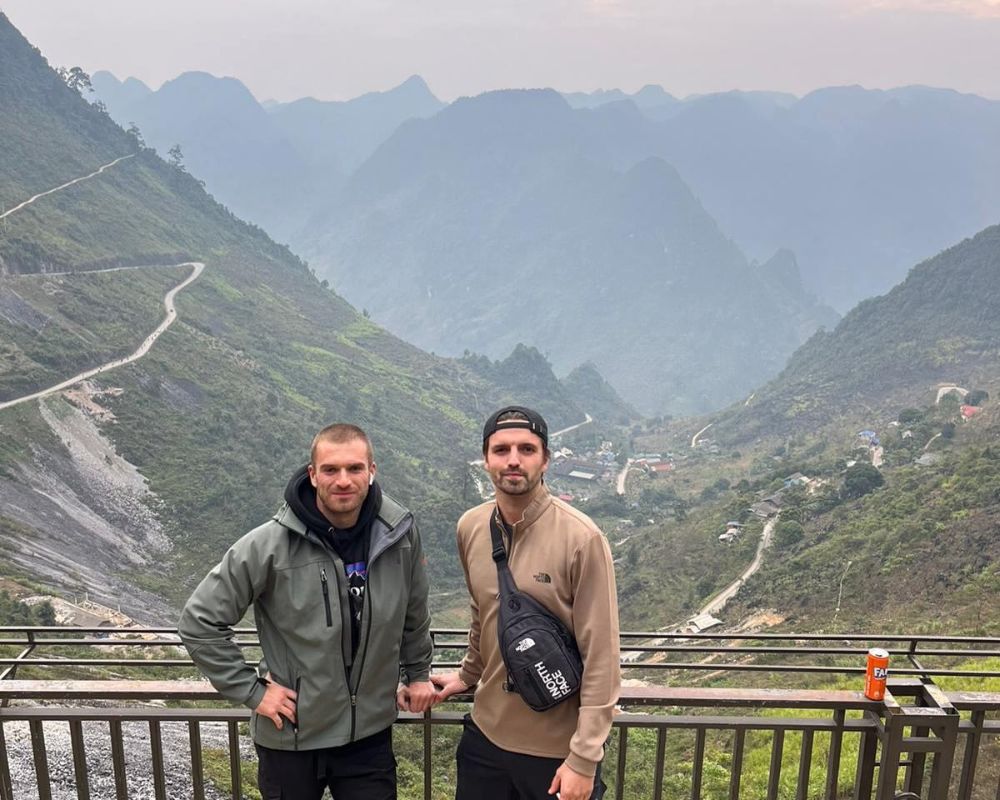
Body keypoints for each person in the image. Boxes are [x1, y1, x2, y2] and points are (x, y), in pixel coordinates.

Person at [179, 423, 435, 800]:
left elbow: (414, 612)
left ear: (372, 471)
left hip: (368, 737)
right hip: (292, 737)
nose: (343, 480)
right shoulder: (268, 545)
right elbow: (199, 621)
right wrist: (252, 691)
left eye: (354, 468)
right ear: (313, 475)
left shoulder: (398, 535)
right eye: (331, 470)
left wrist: (419, 675)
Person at [432, 406, 620, 800]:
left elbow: (602, 655)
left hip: (556, 755)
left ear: (545, 459)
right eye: (501, 450)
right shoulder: (471, 527)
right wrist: (467, 675)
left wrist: (584, 759)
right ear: (486, 460)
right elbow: (482, 614)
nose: (513, 460)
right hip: (485, 740)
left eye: (526, 449)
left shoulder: (581, 538)